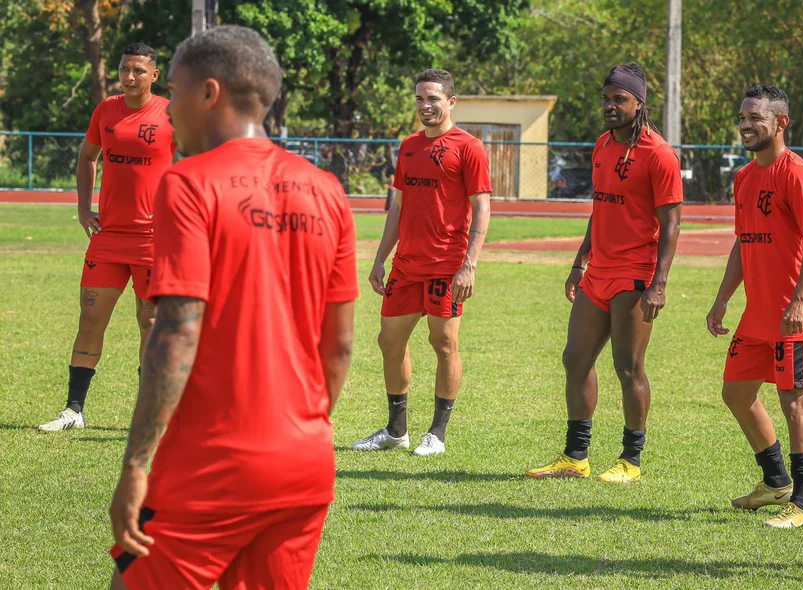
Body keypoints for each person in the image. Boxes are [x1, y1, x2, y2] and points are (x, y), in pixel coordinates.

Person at [107, 25, 357, 590]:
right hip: (305, 462)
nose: (168, 112)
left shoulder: (188, 183)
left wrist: (137, 464)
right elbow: (339, 346)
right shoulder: (327, 189)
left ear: (209, 93)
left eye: (174, 91)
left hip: (213, 463)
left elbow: (176, 331)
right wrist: (296, 432)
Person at [525, 63, 682, 484]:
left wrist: (658, 284)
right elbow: (601, 209)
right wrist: (580, 262)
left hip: (635, 275)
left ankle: (630, 460)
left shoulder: (660, 154)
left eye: (620, 99)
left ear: (639, 104)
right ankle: (576, 457)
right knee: (575, 359)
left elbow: (671, 225)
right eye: (606, 98)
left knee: (628, 368)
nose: (610, 106)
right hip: (598, 272)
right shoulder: (601, 145)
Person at [706, 85, 803, 529]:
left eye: (755, 117)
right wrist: (722, 299)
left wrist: (800, 300)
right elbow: (743, 242)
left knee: (795, 404)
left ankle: (802, 503)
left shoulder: (795, 173)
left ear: (780, 123)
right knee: (736, 393)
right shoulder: (743, 178)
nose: (744, 124)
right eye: (742, 117)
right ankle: (775, 481)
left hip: (795, 314)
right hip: (757, 315)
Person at [352, 69, 492, 457]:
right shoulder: (408, 146)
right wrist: (380, 259)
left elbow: (482, 207)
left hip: (447, 264)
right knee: (389, 341)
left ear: (451, 102)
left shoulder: (469, 147)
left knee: (444, 343)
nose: (424, 106)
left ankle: (437, 433)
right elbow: (397, 206)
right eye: (419, 99)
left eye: (432, 99)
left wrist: (470, 264)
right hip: (406, 265)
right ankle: (396, 431)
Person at [38, 43, 175, 432]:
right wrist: (84, 208)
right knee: (90, 320)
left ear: (154, 75)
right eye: (124, 69)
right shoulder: (106, 110)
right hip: (109, 237)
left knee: (151, 323)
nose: (129, 77)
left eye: (138, 70)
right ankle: (74, 411)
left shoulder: (171, 115)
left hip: (154, 240)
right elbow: (87, 157)